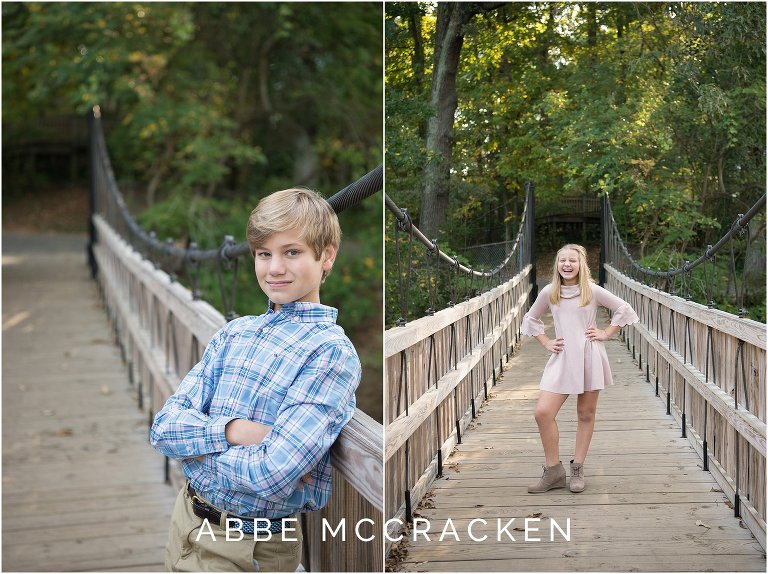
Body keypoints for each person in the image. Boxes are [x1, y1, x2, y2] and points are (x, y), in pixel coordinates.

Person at [150, 188, 361, 572]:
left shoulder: (330, 352)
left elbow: (274, 473)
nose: (274, 268)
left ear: (326, 255)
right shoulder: (235, 333)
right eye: (264, 254)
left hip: (249, 546)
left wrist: (195, 451)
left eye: (291, 252)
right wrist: (235, 431)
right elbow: (164, 428)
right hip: (186, 520)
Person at [521, 244, 638, 494]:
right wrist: (546, 341)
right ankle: (553, 471)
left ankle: (577, 468)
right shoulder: (550, 292)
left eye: (572, 260)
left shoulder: (592, 291)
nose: (566, 264)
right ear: (557, 264)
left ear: (580, 264)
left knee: (585, 414)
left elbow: (624, 309)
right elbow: (531, 318)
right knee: (543, 412)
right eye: (562, 260)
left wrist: (606, 333)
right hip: (562, 358)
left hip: (588, 356)